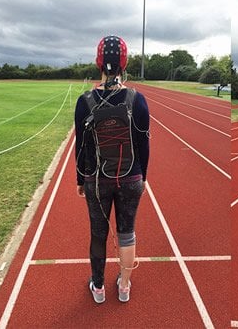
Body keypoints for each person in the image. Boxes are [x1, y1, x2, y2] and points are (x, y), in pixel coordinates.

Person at [74, 35, 150, 304]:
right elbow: (143, 144)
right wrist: (143, 178)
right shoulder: (136, 100)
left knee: (98, 233)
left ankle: (98, 287)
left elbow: (81, 146)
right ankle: (124, 285)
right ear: (124, 63)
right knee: (127, 232)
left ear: (98, 62)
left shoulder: (85, 101)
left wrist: (80, 178)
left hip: (97, 179)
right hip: (131, 177)